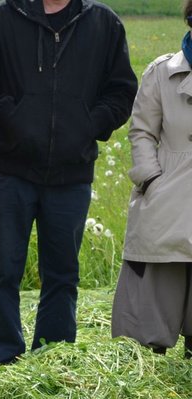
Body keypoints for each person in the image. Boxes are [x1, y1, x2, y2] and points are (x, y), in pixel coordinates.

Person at [0, 0, 137, 366]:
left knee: (63, 274)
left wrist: (88, 124)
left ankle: (53, 357)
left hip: (72, 174)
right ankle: (4, 357)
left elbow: (121, 92)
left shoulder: (103, 23)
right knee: (1, 271)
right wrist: (12, 119)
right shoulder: (0, 19)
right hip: (7, 171)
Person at [111, 1, 192, 358]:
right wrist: (151, 179)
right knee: (160, 285)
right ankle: (151, 365)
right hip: (168, 194)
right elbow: (142, 131)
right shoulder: (161, 72)